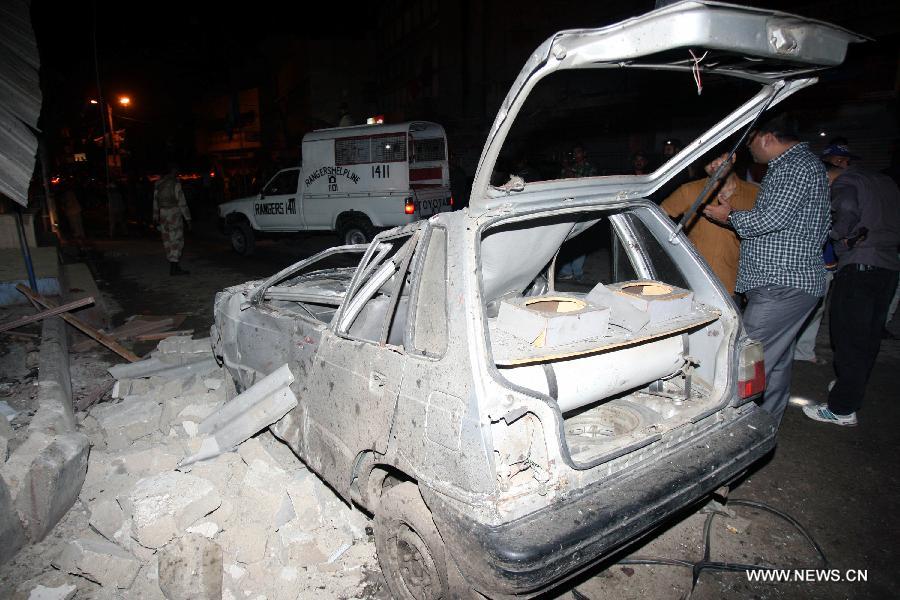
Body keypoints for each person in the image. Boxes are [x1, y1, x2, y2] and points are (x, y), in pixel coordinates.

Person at [704, 113, 830, 424]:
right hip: (788, 283)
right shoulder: (796, 166)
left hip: (782, 284)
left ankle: (734, 427)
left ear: (767, 138)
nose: (751, 150)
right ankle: (766, 422)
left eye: (751, 142)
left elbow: (771, 219)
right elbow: (780, 219)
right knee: (774, 360)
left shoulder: (794, 166)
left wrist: (728, 216)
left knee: (746, 360)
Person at [802, 164, 900, 426]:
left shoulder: (845, 183)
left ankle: (842, 409)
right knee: (868, 338)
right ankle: (850, 386)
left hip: (859, 267)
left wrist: (836, 237)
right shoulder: (886, 182)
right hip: (888, 268)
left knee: (848, 338)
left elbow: (844, 213)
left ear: (825, 176)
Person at [660, 152, 758, 295]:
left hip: (734, 285)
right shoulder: (689, 190)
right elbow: (658, 217)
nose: (713, 164)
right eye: (708, 160)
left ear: (734, 157)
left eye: (718, 156)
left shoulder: (755, 193)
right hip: (692, 283)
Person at [793, 159, 848, 364]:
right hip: (807, 266)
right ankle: (792, 352)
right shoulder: (810, 198)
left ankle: (804, 352)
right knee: (801, 310)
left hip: (826, 264)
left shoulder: (832, 197)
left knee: (817, 311)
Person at [558, 144, 597, 282]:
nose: (575, 155)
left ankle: (578, 272)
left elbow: (586, 185)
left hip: (584, 207)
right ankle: (566, 270)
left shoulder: (589, 168)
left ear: (584, 153)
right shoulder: (566, 169)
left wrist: (569, 170)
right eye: (574, 152)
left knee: (581, 240)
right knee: (567, 239)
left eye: (578, 152)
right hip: (569, 206)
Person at [153, 165, 192, 276]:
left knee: (167, 240)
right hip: (174, 213)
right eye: (177, 170)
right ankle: (174, 267)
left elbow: (155, 201)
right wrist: (188, 218)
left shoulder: (158, 183)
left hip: (163, 214)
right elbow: (182, 202)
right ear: (173, 170)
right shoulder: (175, 183)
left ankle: (173, 264)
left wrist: (155, 216)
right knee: (176, 239)